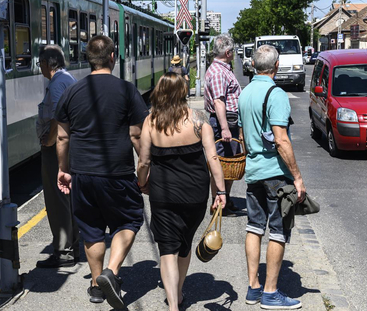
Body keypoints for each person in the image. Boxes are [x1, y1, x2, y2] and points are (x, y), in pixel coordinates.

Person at [55, 35, 148, 309]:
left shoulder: (72, 91)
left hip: (82, 173)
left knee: (91, 229)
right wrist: (145, 169)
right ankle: (112, 270)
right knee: (130, 219)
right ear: (112, 57)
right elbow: (135, 135)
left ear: (88, 59)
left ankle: (97, 286)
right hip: (117, 172)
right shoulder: (127, 90)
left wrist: (63, 169)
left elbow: (62, 137)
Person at [136, 72, 226, 311]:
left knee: (167, 248)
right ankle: (178, 293)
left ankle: (173, 305)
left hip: (162, 194)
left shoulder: (151, 122)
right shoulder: (199, 121)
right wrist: (221, 192)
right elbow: (213, 159)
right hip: (195, 195)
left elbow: (144, 162)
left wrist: (142, 182)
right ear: (183, 92)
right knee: (184, 244)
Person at [238, 45, 308, 309]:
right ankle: (270, 293)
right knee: (278, 231)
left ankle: (253, 288)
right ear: (276, 66)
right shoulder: (276, 94)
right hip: (276, 175)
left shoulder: (244, 94)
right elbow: (281, 140)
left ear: (254, 66)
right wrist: (297, 178)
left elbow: (243, 137)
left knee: (254, 228)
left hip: (254, 172)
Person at [35, 45, 78, 268]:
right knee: (66, 199)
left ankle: (64, 252)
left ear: (48, 63)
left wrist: (50, 141)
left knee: (57, 200)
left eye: (40, 63)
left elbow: (59, 117)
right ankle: (72, 246)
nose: (39, 67)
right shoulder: (66, 79)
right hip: (66, 146)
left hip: (57, 149)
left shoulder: (58, 82)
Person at [204, 34, 242, 214]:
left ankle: (224, 198)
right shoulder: (219, 72)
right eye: (233, 52)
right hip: (225, 122)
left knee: (227, 163)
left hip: (226, 121)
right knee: (222, 163)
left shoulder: (221, 69)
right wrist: (225, 128)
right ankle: (218, 203)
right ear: (228, 52)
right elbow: (219, 102)